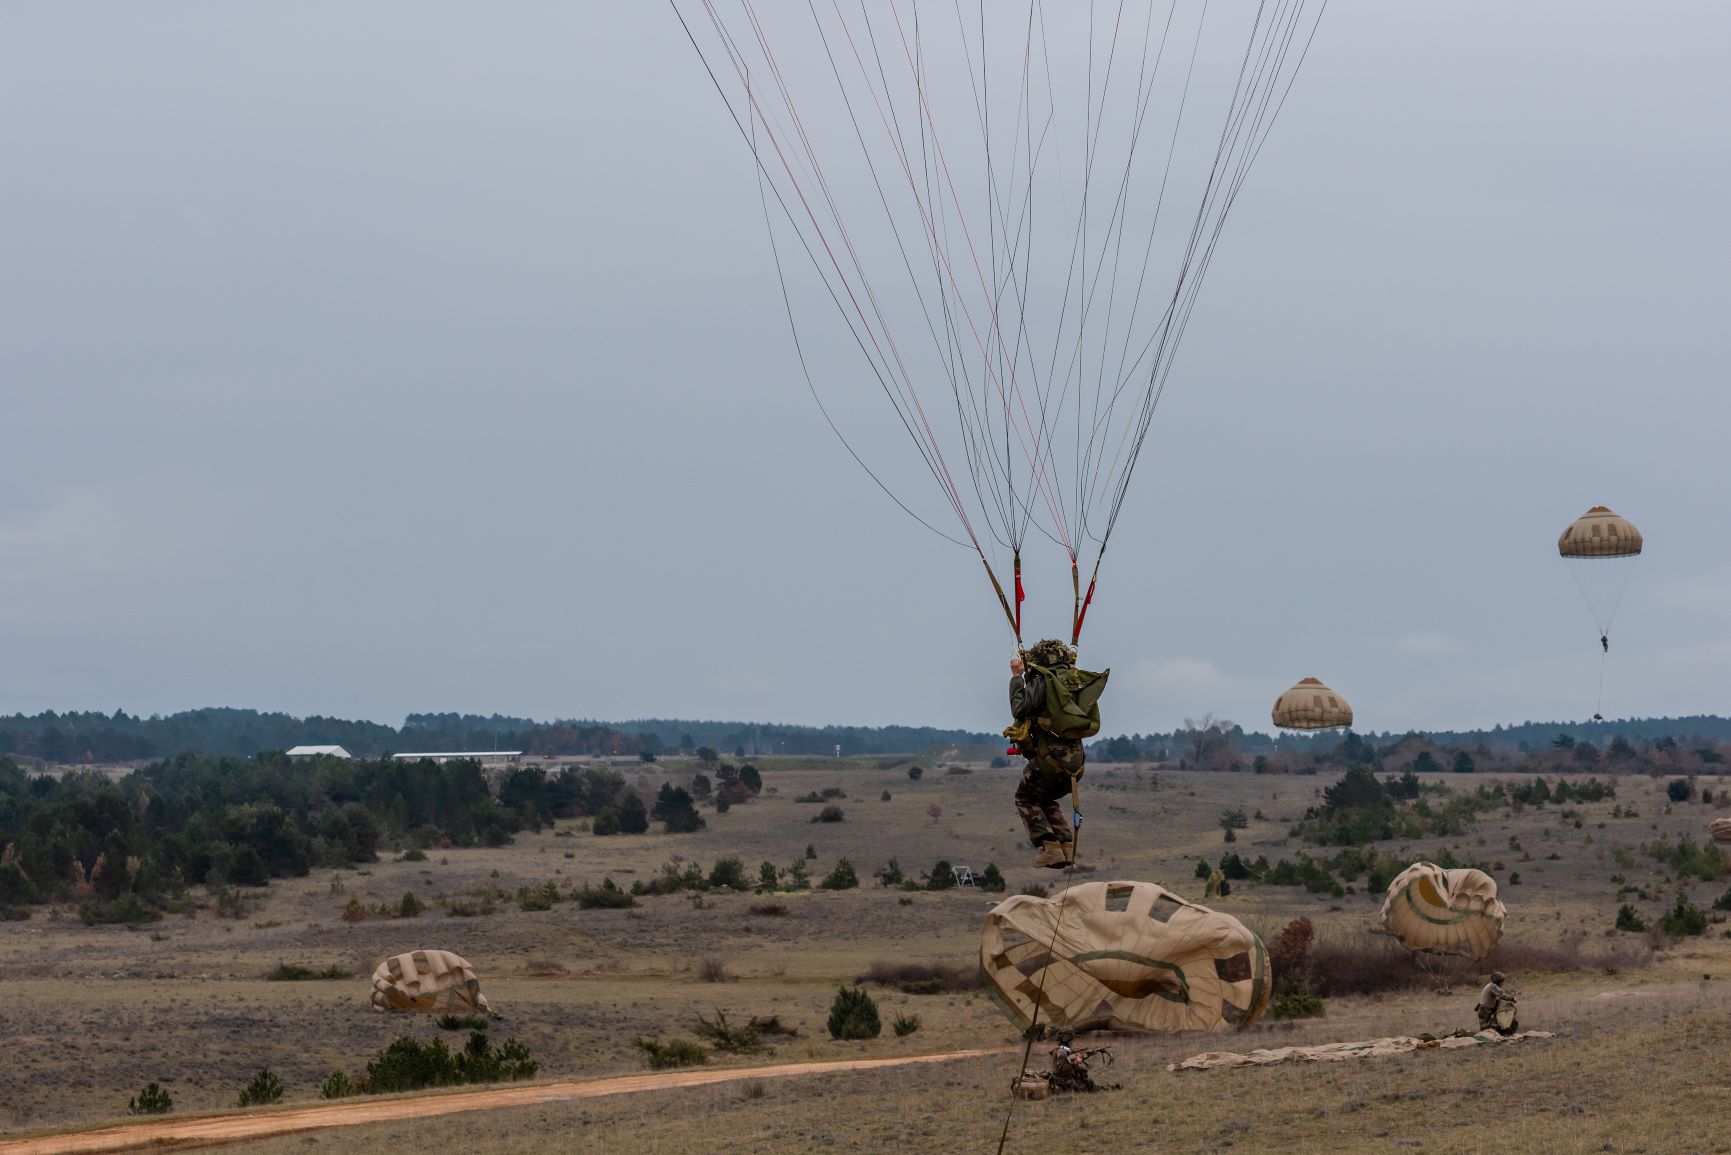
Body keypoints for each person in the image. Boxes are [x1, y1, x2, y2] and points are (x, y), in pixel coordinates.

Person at [1010, 639, 1087, 868]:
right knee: (1044, 796)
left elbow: (1019, 709)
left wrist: (1017, 677)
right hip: (1076, 765)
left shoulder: (1043, 681)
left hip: (1051, 762)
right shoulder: (1075, 679)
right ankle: (1066, 846)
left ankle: (1049, 847)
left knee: (1024, 797)